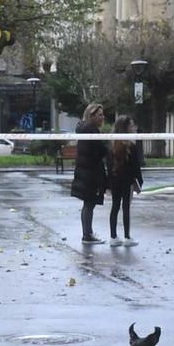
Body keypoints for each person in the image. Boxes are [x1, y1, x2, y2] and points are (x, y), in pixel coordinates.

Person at [69, 103, 109, 244]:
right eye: (99, 115)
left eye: (102, 114)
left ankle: (88, 233)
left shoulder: (85, 130)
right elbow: (102, 150)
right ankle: (87, 235)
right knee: (89, 203)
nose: (102, 117)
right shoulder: (90, 131)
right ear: (91, 116)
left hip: (86, 172)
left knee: (88, 204)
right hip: (90, 174)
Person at [107, 113, 144, 246]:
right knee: (126, 207)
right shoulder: (130, 146)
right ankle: (127, 237)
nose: (134, 128)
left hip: (115, 180)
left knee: (115, 207)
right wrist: (138, 181)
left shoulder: (111, 146)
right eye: (132, 125)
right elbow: (135, 166)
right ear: (126, 128)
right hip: (127, 181)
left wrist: (109, 183)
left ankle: (113, 236)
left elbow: (108, 165)